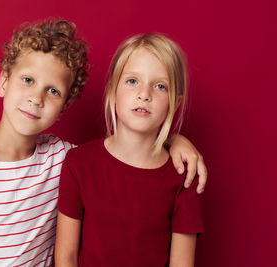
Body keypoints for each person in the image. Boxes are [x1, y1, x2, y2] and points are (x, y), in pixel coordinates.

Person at [0, 19, 206, 266]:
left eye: (52, 91)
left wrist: (176, 142)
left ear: (64, 107)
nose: (36, 98)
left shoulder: (61, 159)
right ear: (3, 82)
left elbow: (127, 157)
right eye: (27, 80)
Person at [55, 33, 204, 267]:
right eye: (133, 81)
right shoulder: (78, 163)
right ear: (113, 90)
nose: (145, 94)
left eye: (160, 86)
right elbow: (66, 258)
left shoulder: (184, 176)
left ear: (174, 103)